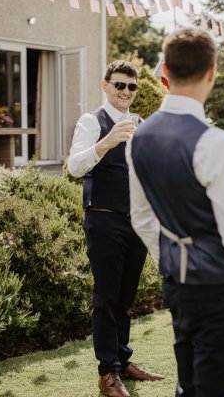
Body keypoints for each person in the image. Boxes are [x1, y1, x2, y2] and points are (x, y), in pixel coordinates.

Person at [127, 28, 224, 397]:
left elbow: (141, 218)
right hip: (220, 287)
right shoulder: (214, 141)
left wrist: (174, 255)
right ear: (212, 72)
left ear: (164, 71)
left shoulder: (138, 136)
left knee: (189, 384)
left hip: (177, 284)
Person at [68, 60, 164, 397]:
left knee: (124, 298)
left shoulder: (139, 123)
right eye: (119, 85)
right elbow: (74, 166)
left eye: (131, 86)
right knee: (106, 298)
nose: (125, 91)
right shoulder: (91, 121)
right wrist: (106, 142)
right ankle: (107, 373)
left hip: (135, 221)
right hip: (104, 218)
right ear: (105, 85)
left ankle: (123, 361)